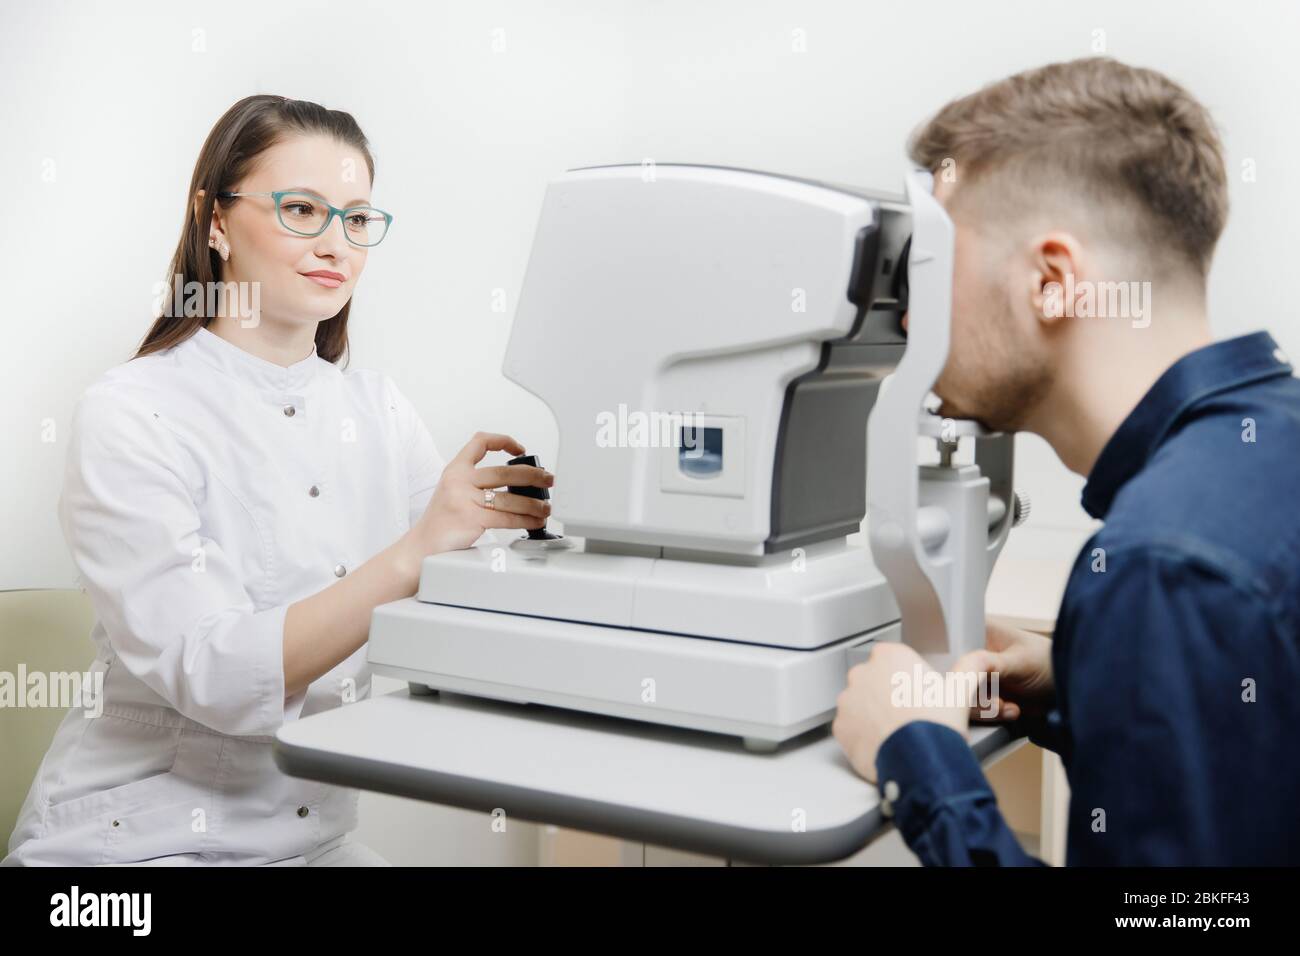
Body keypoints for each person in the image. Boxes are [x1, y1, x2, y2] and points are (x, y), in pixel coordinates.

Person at [4, 95, 551, 866]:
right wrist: (416, 550)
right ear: (215, 221)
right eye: (302, 209)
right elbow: (216, 674)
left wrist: (540, 545)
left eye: (358, 219)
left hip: (312, 840)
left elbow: (454, 613)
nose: (338, 243)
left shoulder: (379, 411)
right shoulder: (131, 413)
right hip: (130, 846)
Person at [832, 57, 1300, 865]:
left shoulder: (1161, 566)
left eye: (936, 266)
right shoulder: (1271, 439)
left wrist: (918, 757)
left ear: (1052, 280)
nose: (910, 315)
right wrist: (1082, 682)